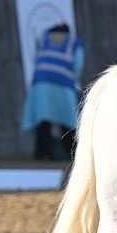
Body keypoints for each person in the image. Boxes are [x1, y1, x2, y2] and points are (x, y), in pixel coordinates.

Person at [21, 21, 85, 161]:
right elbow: (78, 65)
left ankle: (40, 154)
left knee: (43, 121)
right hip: (62, 82)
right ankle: (70, 154)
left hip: (40, 83)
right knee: (68, 121)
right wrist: (72, 80)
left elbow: (37, 58)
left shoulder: (44, 40)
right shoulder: (74, 42)